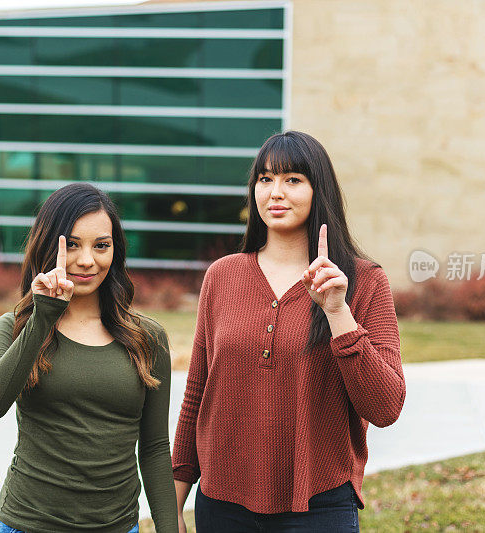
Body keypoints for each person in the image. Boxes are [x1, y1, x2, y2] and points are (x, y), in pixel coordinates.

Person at [171, 131, 406, 532]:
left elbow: (386, 407)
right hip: (221, 507)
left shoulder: (364, 281)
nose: (275, 192)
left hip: (320, 506)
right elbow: (197, 394)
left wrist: (338, 313)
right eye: (265, 179)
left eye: (293, 179)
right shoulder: (222, 276)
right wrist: (173, 505)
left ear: (320, 190)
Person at [0, 183, 177, 533]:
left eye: (101, 245)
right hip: (27, 524)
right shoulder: (15, 326)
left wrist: (169, 528)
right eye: (72, 245)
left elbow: (155, 448)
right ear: (48, 246)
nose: (86, 260)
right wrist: (43, 317)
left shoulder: (147, 337)